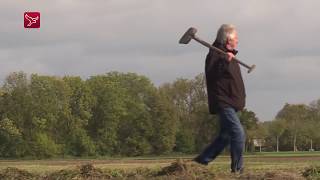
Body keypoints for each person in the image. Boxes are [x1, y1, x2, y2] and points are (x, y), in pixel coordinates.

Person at [193, 24, 246, 173]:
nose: (238, 40)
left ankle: (201, 161)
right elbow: (212, 75)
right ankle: (237, 170)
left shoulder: (228, 54)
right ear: (228, 39)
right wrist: (225, 61)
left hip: (233, 103)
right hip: (224, 102)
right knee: (238, 133)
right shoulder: (215, 55)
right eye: (235, 38)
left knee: (225, 136)